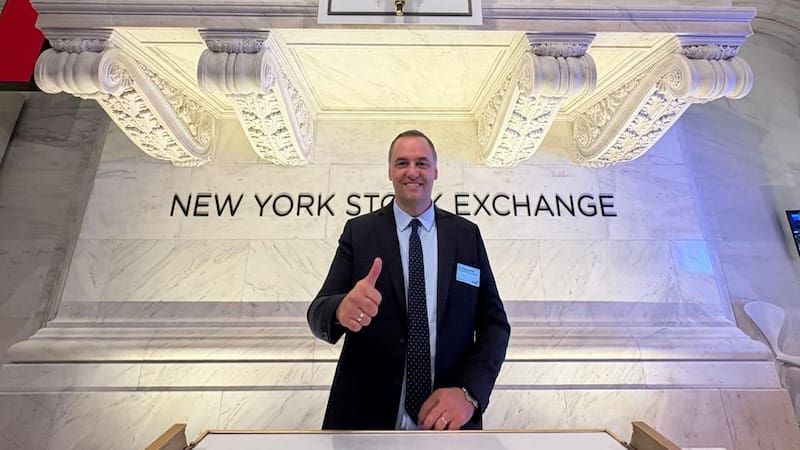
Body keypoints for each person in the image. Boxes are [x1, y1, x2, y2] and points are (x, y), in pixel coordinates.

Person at [307, 130, 510, 431]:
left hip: (447, 426)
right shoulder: (359, 232)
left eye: (421, 163)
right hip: (364, 422)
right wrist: (340, 309)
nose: (412, 172)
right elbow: (318, 312)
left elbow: (495, 325)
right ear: (390, 171)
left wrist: (469, 394)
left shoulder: (466, 235)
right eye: (402, 163)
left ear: (435, 171)